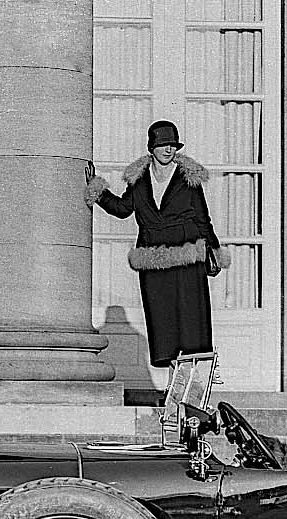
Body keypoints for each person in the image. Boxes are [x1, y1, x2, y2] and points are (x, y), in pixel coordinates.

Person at [84, 120, 225, 367]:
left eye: (173, 144)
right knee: (162, 320)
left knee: (191, 324)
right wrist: (96, 188)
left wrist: (213, 251)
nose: (168, 149)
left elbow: (203, 218)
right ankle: (173, 378)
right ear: (151, 147)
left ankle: (190, 380)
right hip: (153, 257)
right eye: (162, 144)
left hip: (186, 255)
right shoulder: (138, 179)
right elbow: (122, 209)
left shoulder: (188, 178)